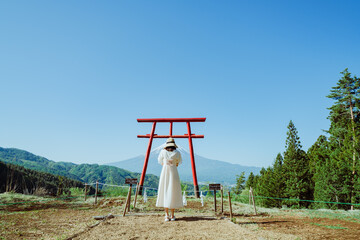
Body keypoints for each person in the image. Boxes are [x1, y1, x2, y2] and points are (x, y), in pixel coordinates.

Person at [156, 137, 183, 222]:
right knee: (173, 192)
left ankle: (166, 215)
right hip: (173, 173)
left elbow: (160, 161)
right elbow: (178, 162)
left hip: (165, 173)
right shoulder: (177, 153)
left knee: (164, 191)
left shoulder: (162, 152)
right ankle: (172, 215)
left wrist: (166, 164)